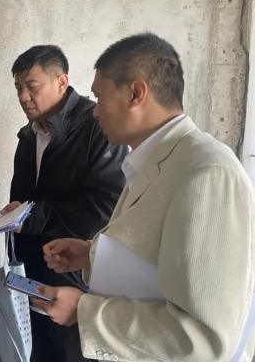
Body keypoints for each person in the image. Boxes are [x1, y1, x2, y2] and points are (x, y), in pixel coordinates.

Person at [35, 33, 255, 362]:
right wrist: (92, 255)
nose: (95, 113)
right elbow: (159, 258)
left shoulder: (207, 172)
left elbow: (202, 339)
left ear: (136, 93)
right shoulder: (155, 159)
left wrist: (84, 310)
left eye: (100, 97)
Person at [2, 45, 128, 362]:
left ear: (62, 82)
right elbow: (25, 201)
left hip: (70, 273)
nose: (23, 97)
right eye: (18, 88)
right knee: (33, 351)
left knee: (70, 353)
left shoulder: (96, 127)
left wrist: (31, 217)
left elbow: (105, 207)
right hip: (28, 269)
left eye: (32, 86)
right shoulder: (29, 135)